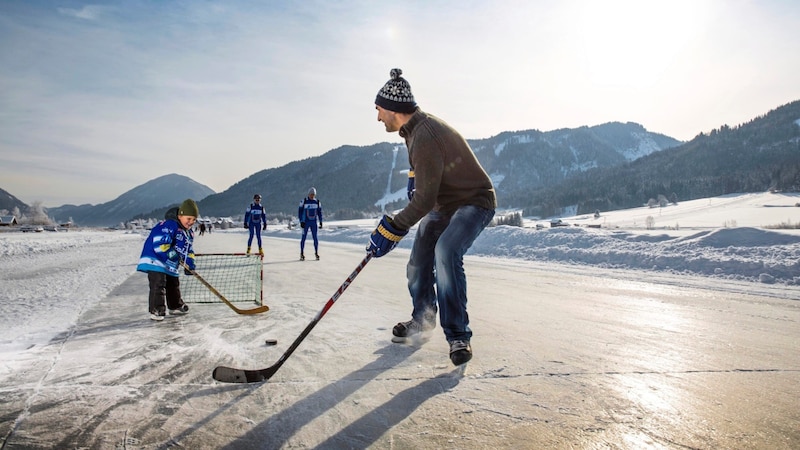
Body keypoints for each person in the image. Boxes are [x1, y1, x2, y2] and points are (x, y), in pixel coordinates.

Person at [367, 68, 497, 366]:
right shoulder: (413, 131)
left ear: (392, 109)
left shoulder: (424, 134)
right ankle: (422, 319)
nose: (377, 118)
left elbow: (424, 201)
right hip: (445, 205)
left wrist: (392, 229)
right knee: (418, 262)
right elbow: (425, 183)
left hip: (473, 201)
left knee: (446, 251)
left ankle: (458, 335)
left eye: (378, 110)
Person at [136, 199, 198, 321]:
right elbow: (160, 245)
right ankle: (157, 309)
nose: (191, 222)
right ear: (180, 216)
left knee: (173, 283)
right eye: (188, 219)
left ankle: (175, 305)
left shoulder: (189, 233)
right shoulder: (169, 225)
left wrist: (189, 264)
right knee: (158, 283)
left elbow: (188, 251)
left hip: (170, 263)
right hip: (155, 259)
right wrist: (173, 255)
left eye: (194, 219)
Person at [298, 187, 323, 260]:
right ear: (308, 194)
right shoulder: (304, 201)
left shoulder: (317, 202)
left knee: (315, 238)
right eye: (311, 194)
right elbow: (300, 212)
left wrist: (321, 221)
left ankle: (316, 252)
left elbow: (320, 213)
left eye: (313, 195)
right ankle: (302, 253)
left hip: (313, 222)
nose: (312, 196)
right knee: (303, 238)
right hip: (305, 222)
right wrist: (301, 221)